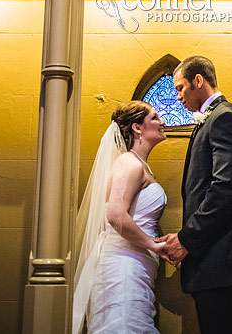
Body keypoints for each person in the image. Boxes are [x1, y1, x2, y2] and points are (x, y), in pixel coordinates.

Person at [160, 56, 232, 334]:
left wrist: (187, 239)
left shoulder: (225, 118)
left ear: (199, 81)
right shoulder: (211, 119)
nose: (178, 97)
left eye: (181, 88)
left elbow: (225, 189)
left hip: (225, 261)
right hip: (214, 260)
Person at [72, 101, 168, 334]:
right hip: (123, 265)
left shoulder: (140, 164)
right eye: (155, 117)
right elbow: (115, 215)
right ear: (137, 128)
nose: (162, 122)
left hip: (135, 264)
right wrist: (154, 246)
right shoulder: (129, 163)